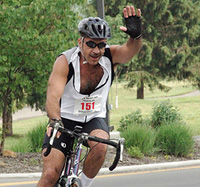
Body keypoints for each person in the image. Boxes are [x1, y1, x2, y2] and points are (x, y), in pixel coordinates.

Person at [37, 4, 142, 187]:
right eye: (91, 44)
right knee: (50, 176)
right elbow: (53, 96)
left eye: (101, 45)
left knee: (101, 146)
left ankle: (83, 184)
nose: (96, 50)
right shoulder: (65, 62)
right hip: (64, 119)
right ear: (80, 42)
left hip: (93, 119)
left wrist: (136, 36)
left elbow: (130, 51)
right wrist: (55, 121)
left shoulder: (110, 56)